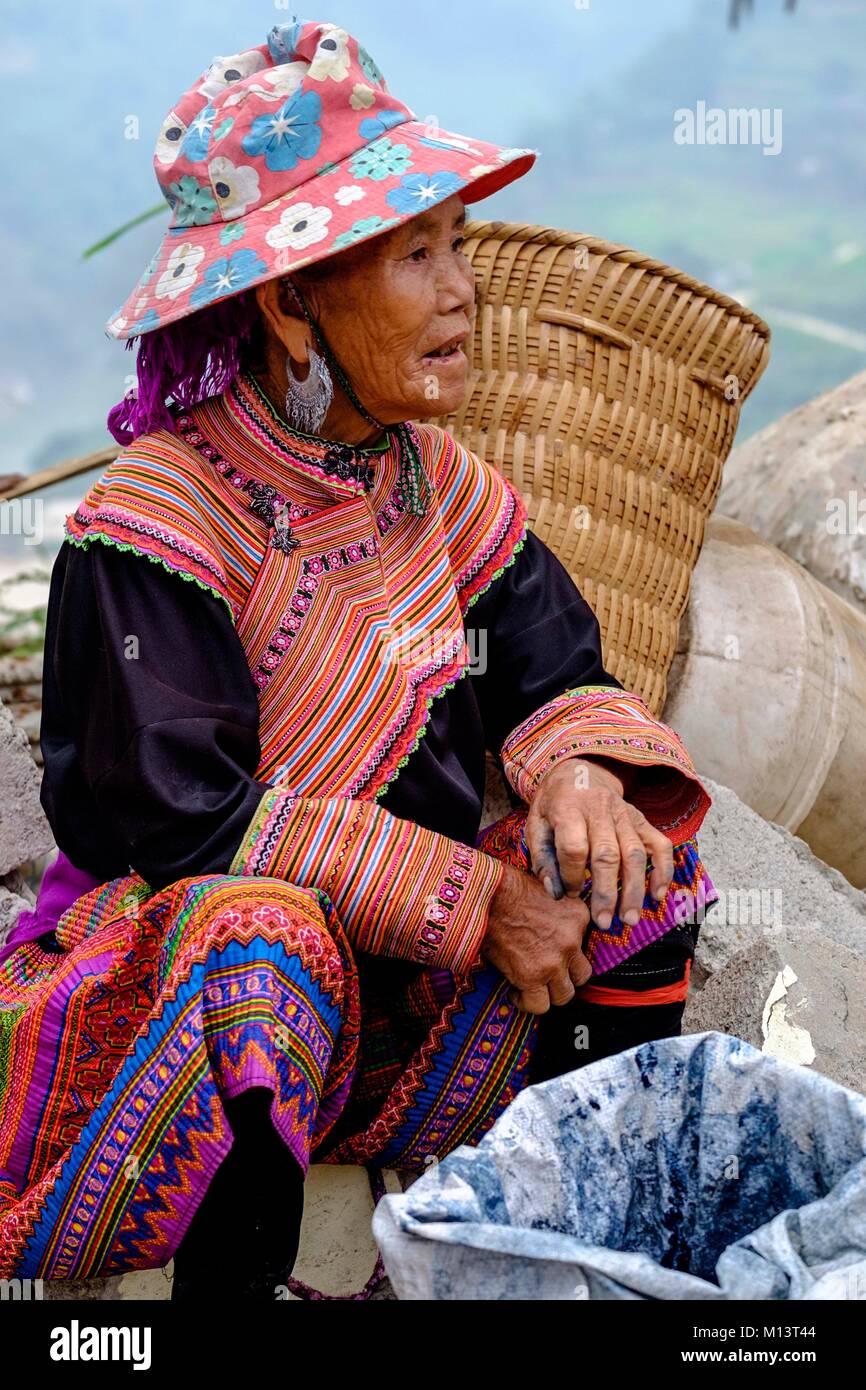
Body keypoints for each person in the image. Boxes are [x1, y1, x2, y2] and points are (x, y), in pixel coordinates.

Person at [0, 20, 715, 1299]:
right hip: (186, 1019)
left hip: (403, 1015)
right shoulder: (156, 524)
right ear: (287, 300)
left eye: (457, 248)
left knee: (632, 874)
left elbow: (556, 675)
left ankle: (570, 1252)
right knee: (255, 937)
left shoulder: (439, 486)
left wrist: (580, 784)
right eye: (413, 257)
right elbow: (178, 818)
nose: (459, 291)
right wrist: (478, 902)